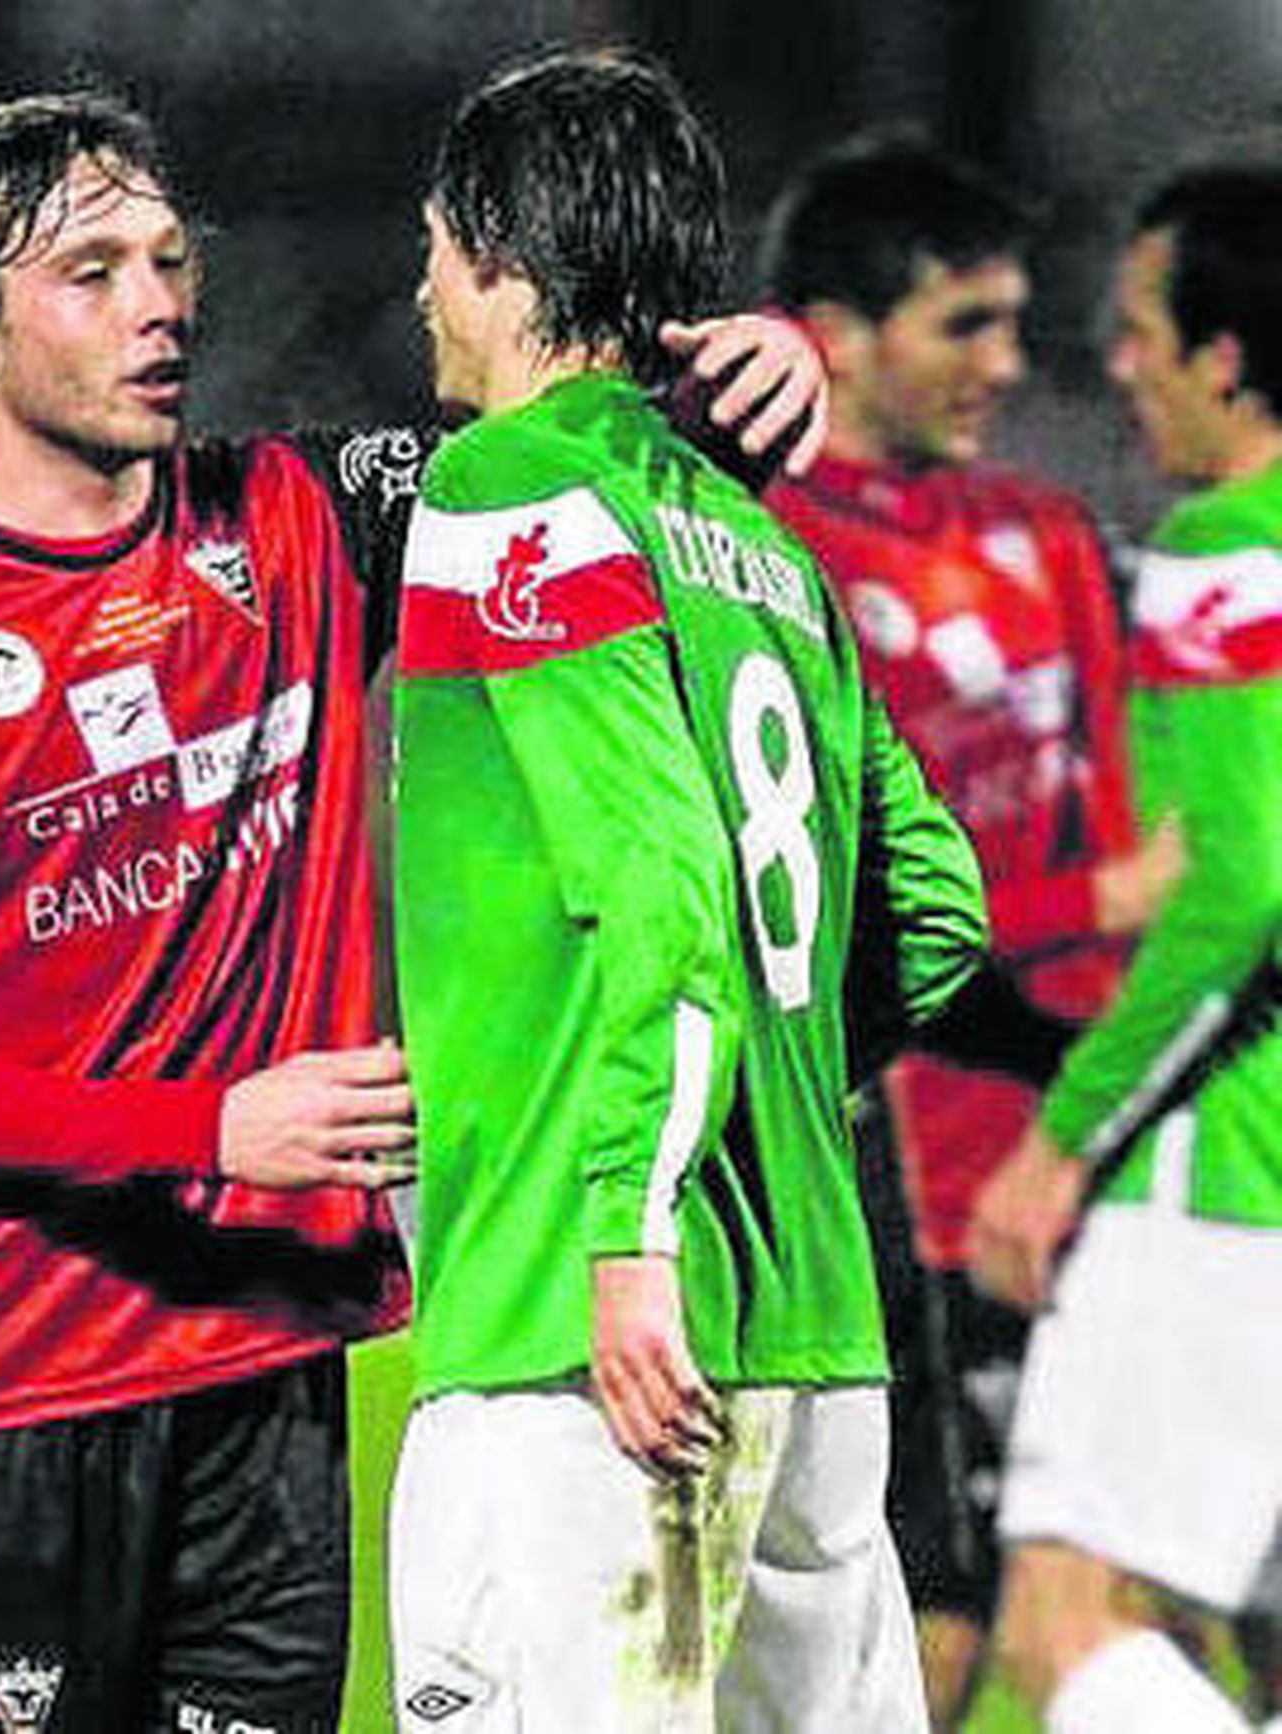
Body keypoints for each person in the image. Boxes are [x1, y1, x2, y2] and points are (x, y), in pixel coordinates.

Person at [0, 88, 825, 1733]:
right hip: (2, 1389)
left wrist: (743, 373)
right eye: (91, 270)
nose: (161, 300)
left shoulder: (306, 518)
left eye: (170, 258)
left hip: (263, 1378)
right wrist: (211, 1124)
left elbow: (565, 443)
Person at [385, 48, 1082, 1733]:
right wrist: (773, 1077)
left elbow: (667, 882)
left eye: (433, 245)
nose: (418, 288)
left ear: (496, 251)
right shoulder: (771, 545)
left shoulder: (514, 484)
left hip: (595, 1325)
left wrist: (629, 1223)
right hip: (824, 1333)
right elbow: (935, 904)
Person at [757, 134, 1185, 1728]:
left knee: (1143, 1589)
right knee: (929, 1622)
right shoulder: (771, 559)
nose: (1009, 363)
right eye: (963, 325)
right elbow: (825, 890)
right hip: (911, 1174)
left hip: (1088, 1143)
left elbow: (1136, 833)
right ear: (833, 333)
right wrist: (1097, 901)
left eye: (1015, 322)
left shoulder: (1049, 535)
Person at [969, 163, 1282, 1734]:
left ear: (1227, 357)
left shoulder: (1232, 557)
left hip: (1223, 1178)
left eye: (1147, 328)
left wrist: (1064, 1142)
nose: (1121, 360)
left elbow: (1241, 891)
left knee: (1064, 1617)